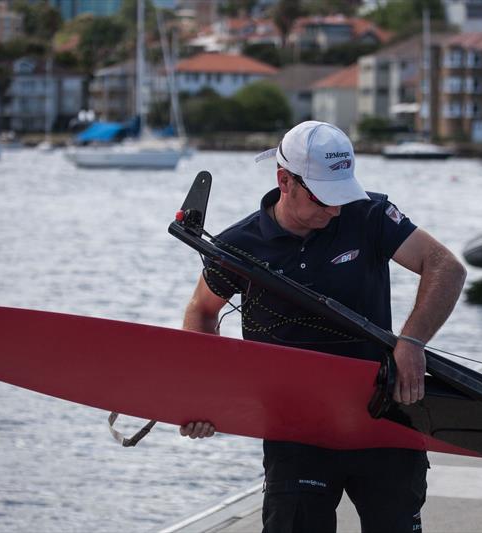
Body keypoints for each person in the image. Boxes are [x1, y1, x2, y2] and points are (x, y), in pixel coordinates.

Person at [179, 121, 466, 532]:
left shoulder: (368, 214)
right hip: (296, 431)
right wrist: (202, 399)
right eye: (323, 199)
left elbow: (445, 267)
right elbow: (202, 311)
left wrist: (413, 341)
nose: (335, 210)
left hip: (382, 417)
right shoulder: (239, 246)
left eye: (341, 196)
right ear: (284, 181)